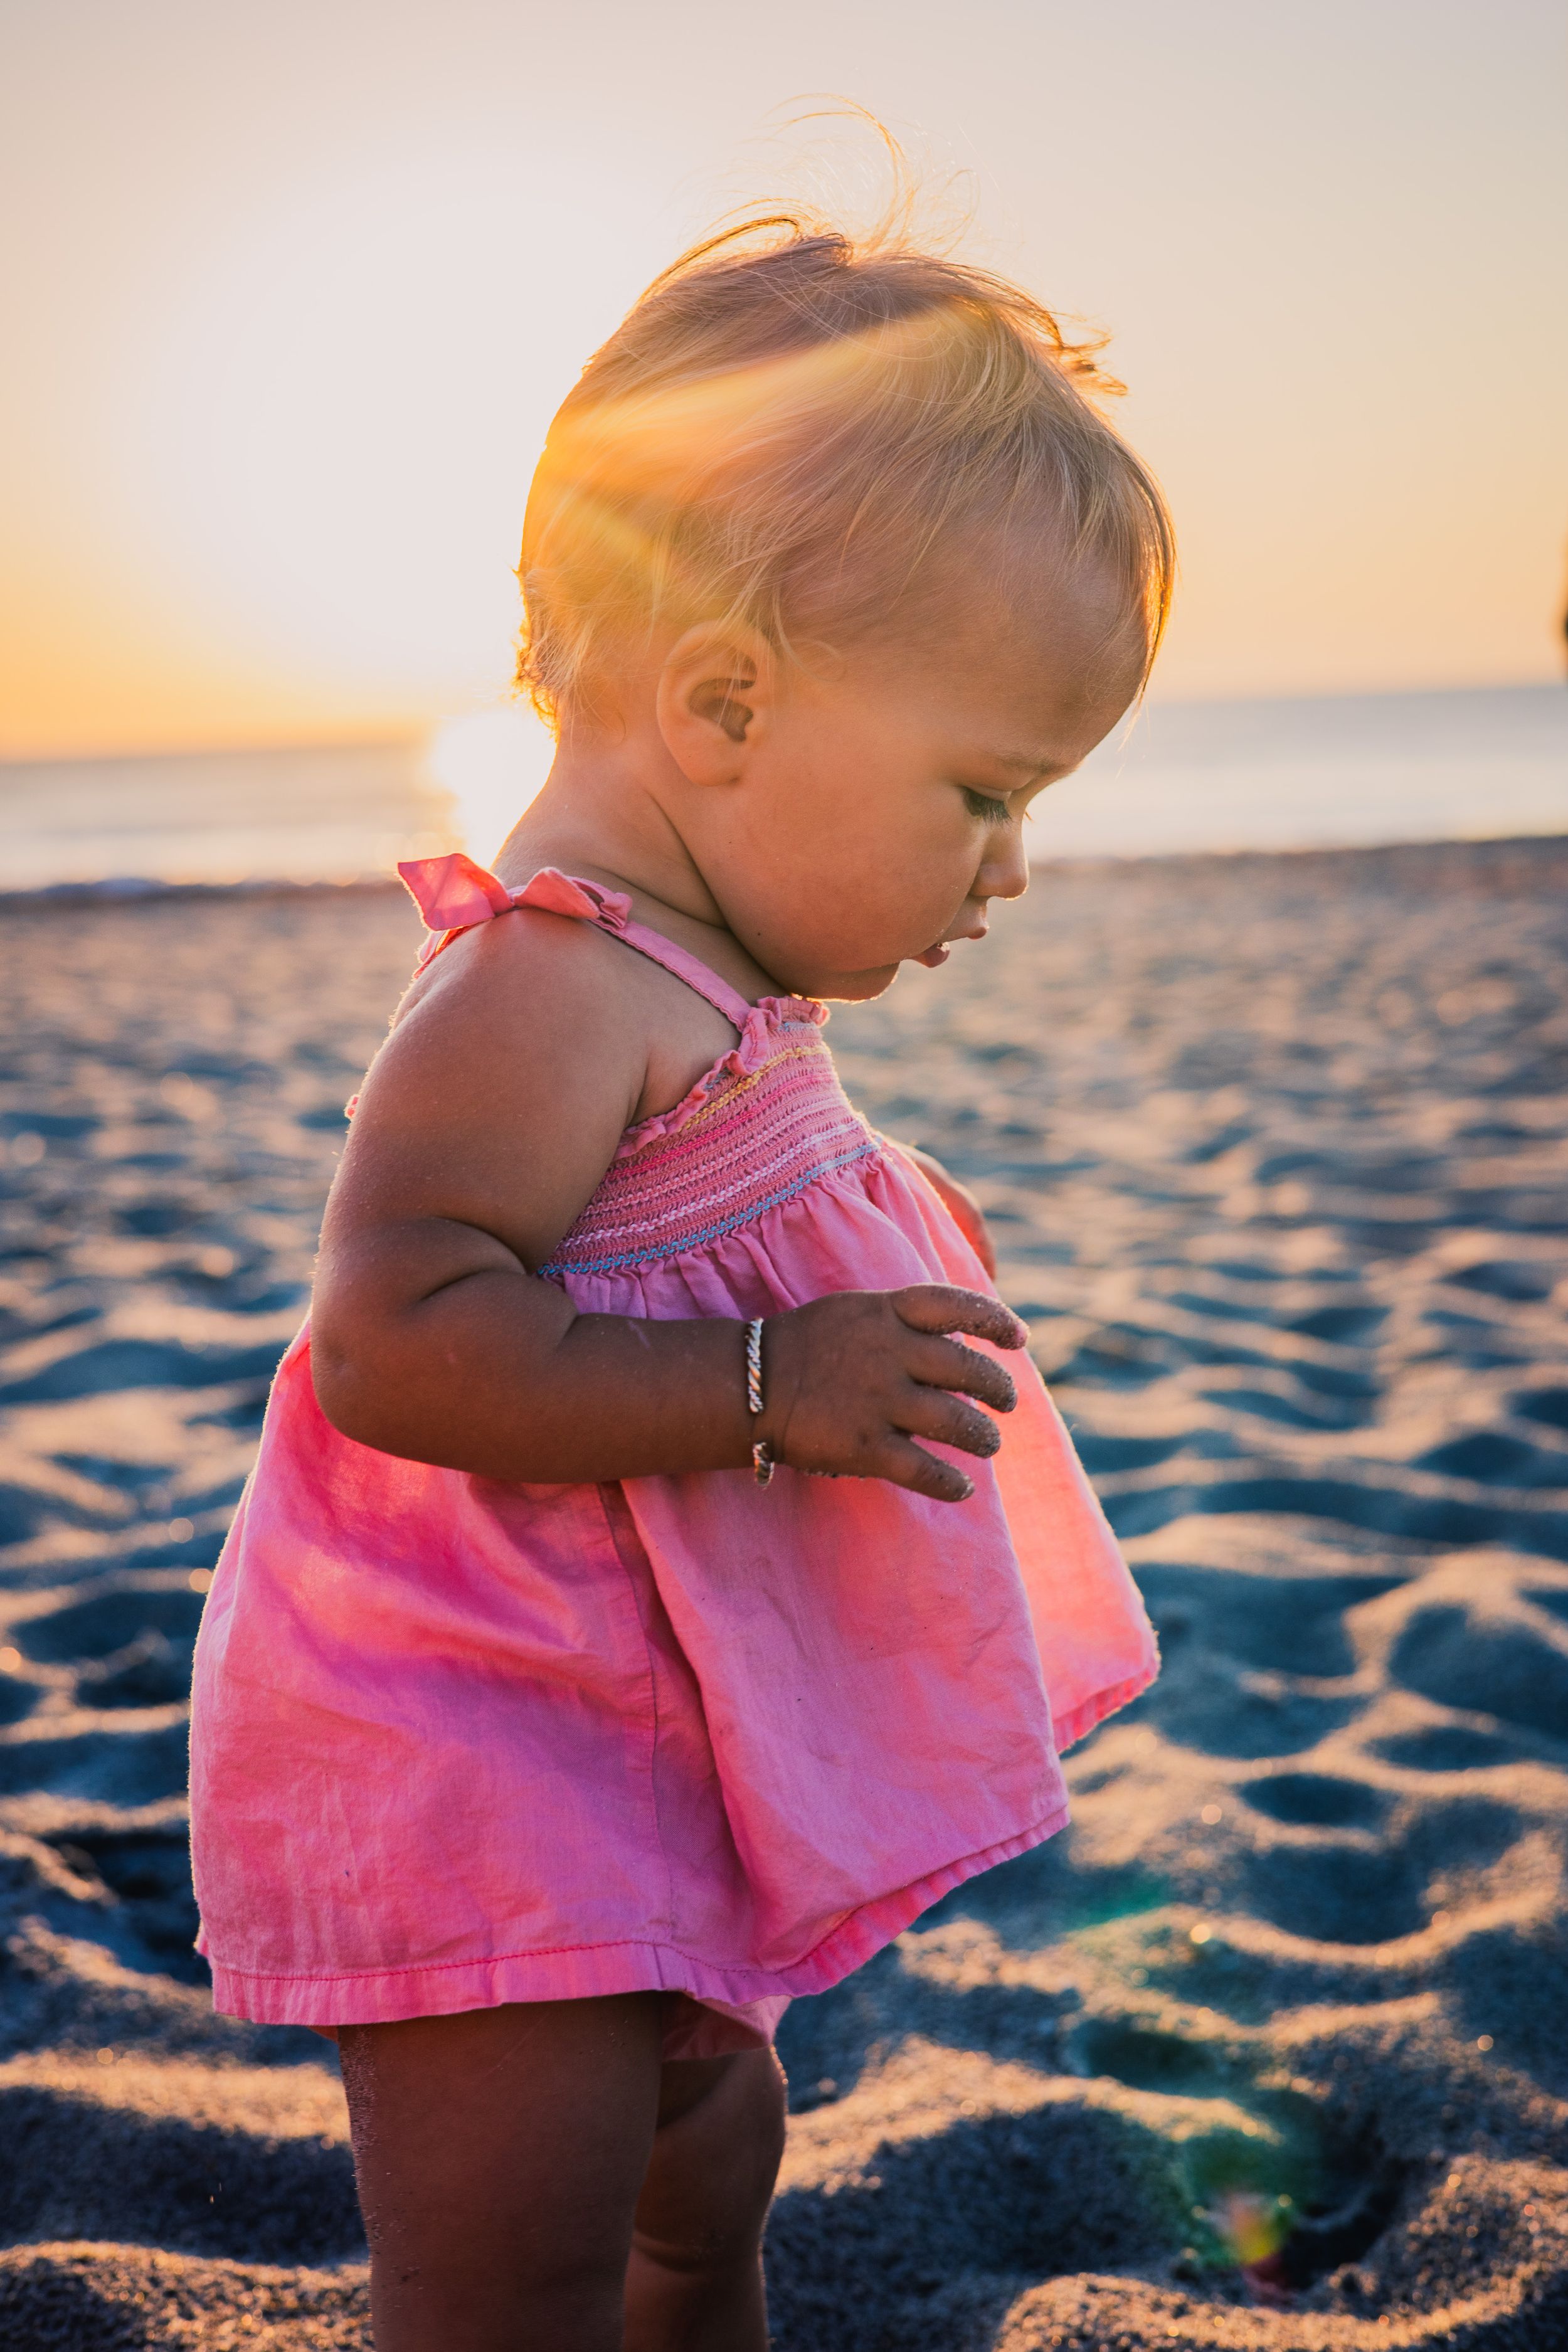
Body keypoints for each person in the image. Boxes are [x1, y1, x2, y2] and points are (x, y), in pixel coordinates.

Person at [189, 211, 1172, 2351]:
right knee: (510, 2264)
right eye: (982, 791)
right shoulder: (546, 986)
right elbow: (394, 1339)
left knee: (701, 2188)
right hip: (484, 1748)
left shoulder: (702, 981)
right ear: (723, 699)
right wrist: (763, 1382)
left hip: (643, 1743)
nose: (1009, 869)